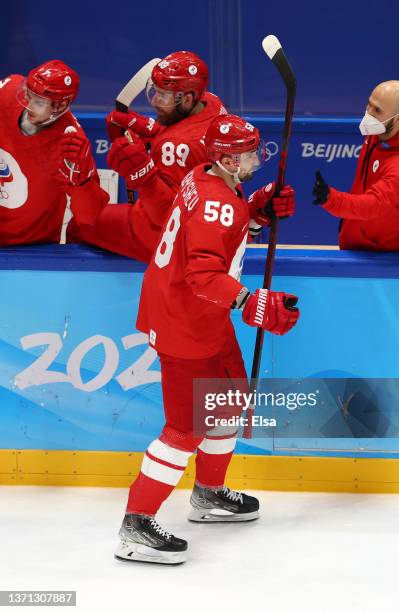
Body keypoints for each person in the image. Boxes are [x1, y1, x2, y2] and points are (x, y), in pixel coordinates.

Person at [114, 114, 300, 565]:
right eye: (249, 153)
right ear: (227, 160)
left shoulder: (203, 176)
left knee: (228, 400)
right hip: (186, 321)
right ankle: (136, 525)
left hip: (197, 315)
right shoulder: (219, 201)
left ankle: (209, 494)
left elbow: (214, 230)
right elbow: (203, 273)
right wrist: (250, 301)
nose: (257, 158)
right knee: (185, 428)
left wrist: (253, 211)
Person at [68, 51, 227, 261]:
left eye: (165, 96)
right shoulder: (211, 104)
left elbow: (166, 218)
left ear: (187, 99)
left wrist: (144, 176)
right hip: (211, 228)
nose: (155, 102)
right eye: (155, 92)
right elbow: (189, 136)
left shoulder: (175, 146)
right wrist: (153, 130)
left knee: (79, 224)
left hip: (167, 241)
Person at [312, 80, 399, 252]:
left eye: (377, 110)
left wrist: (331, 199)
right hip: (357, 245)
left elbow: (374, 204)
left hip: (392, 259)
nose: (368, 114)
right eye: (369, 105)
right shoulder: (380, 132)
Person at [0, 60, 107, 245]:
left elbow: (89, 217)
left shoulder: (71, 143)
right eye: (28, 94)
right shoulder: (7, 89)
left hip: (31, 248)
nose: (28, 105)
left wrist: (82, 181)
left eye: (39, 102)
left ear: (59, 106)